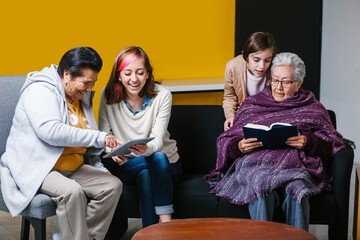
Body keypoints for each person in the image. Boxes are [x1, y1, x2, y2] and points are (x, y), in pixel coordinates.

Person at [205, 52, 345, 230]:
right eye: (275, 80)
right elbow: (227, 140)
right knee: (259, 184)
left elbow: (332, 144)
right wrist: (238, 146)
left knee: (298, 189)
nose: (278, 87)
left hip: (296, 168)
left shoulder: (313, 108)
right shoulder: (252, 104)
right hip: (256, 166)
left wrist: (308, 142)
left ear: (298, 84)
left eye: (286, 82)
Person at [0, 47, 123, 240]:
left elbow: (85, 135)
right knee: (71, 191)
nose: (90, 88)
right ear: (67, 75)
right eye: (86, 82)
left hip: (72, 165)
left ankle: (83, 237)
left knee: (111, 186)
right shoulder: (40, 90)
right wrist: (100, 137)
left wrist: (109, 149)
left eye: (93, 82)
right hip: (41, 168)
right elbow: (51, 131)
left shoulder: (80, 96)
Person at [98, 46, 182, 228]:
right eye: (127, 73)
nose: (134, 79)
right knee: (147, 168)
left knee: (153, 165)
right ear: (118, 75)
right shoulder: (107, 94)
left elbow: (158, 141)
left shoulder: (163, 96)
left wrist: (147, 149)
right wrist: (112, 150)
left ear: (148, 74)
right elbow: (104, 135)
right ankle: (164, 227)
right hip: (127, 163)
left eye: (140, 72)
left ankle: (156, 229)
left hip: (166, 165)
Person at [223, 31, 276, 130]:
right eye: (256, 60)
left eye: (267, 60)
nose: (261, 66)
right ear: (246, 56)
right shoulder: (232, 67)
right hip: (243, 116)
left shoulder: (276, 68)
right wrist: (230, 116)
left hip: (269, 117)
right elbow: (229, 97)